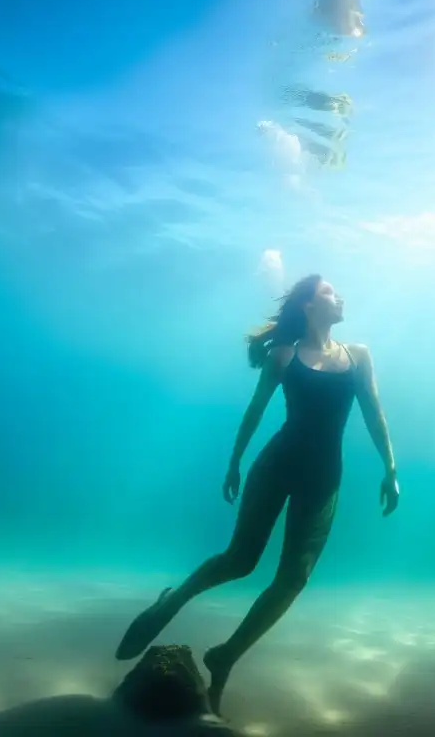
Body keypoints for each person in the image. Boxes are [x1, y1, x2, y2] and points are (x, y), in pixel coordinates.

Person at [114, 273, 399, 714]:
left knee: (295, 577)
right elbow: (255, 410)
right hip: (277, 466)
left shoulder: (358, 356)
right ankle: (175, 599)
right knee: (240, 561)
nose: (339, 296)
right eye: (329, 291)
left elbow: (375, 414)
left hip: (324, 477)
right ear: (308, 305)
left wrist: (390, 469)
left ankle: (225, 655)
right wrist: (234, 461)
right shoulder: (284, 356)